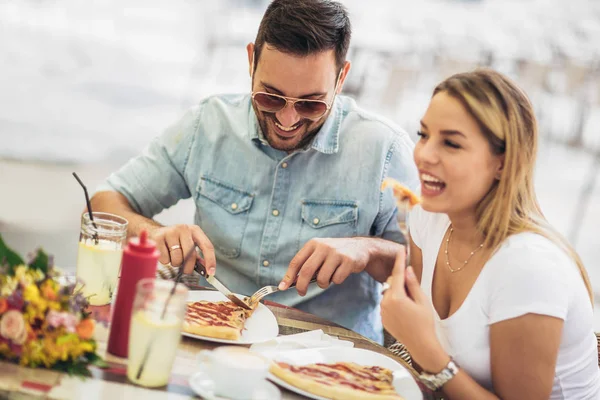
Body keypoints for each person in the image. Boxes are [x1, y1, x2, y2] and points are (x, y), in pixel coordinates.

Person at [90, 0, 418, 343]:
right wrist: (153, 234)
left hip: (331, 354)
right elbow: (102, 205)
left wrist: (365, 250)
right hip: (210, 332)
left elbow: (422, 276)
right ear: (251, 60)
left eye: (311, 103)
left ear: (341, 78)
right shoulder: (208, 125)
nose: (287, 120)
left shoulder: (385, 150)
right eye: (271, 97)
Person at [380, 69, 600, 398]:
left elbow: (424, 349)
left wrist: (429, 355)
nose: (423, 154)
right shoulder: (429, 215)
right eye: (424, 134)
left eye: (451, 143)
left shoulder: (528, 269)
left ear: (502, 163)